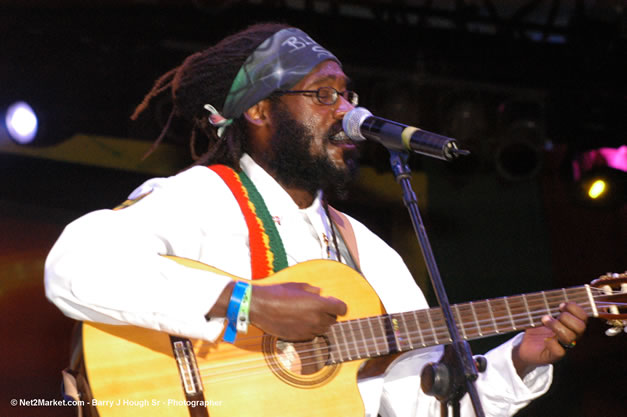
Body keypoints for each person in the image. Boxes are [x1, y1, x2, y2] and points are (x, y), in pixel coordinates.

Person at [45, 23, 588, 417]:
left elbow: (420, 405)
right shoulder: (202, 198)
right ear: (259, 110)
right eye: (324, 94)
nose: (345, 111)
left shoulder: (369, 253)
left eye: (347, 95)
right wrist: (247, 302)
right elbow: (73, 268)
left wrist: (517, 361)